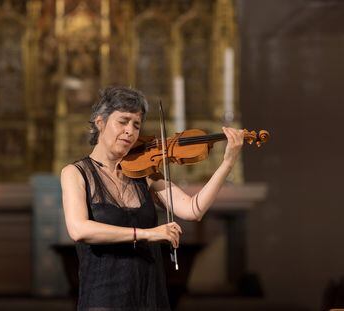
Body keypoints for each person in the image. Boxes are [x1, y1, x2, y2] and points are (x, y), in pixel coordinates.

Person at [61, 86, 244, 310]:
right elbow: (79, 229)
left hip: (149, 295)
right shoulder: (76, 173)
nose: (130, 131)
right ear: (100, 122)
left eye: (136, 124)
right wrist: (148, 234)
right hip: (104, 297)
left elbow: (193, 209)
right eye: (123, 121)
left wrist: (227, 163)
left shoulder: (144, 174)